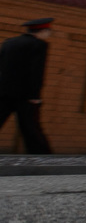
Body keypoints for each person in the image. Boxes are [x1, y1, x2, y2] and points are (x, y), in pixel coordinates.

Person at [0, 17, 55, 154]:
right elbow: (36, 71)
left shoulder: (8, 43)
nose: (49, 34)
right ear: (42, 31)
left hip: (3, 92)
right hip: (25, 95)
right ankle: (42, 156)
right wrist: (34, 96)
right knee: (30, 127)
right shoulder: (39, 45)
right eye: (48, 31)